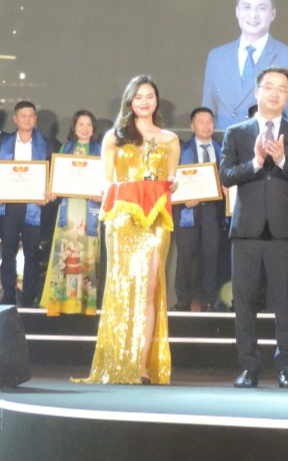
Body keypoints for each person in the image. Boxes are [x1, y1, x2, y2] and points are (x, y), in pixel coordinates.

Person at [79, 76, 179, 385]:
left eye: (150, 96)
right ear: (130, 101)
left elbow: (172, 179)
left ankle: (141, 366)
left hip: (156, 221)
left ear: (157, 101)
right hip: (123, 219)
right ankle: (118, 361)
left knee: (149, 289)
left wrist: (174, 184)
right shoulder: (115, 137)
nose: (145, 102)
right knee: (123, 287)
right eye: (139, 97)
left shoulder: (170, 140)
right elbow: (106, 180)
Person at [220, 67, 288, 389]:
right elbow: (226, 175)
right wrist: (257, 163)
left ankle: (286, 367)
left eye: (282, 89)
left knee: (286, 303)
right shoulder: (236, 133)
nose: (275, 93)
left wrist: (284, 160)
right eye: (269, 87)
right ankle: (249, 368)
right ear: (257, 91)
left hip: (284, 230)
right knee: (244, 302)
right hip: (246, 230)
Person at [203, 0, 288, 129]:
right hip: (223, 142)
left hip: (267, 142)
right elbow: (206, 114)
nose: (253, 15)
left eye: (261, 8)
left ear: (273, 14)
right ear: (237, 11)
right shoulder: (217, 57)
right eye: (246, 7)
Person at [40, 110, 103, 315]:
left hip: (89, 208)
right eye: (80, 124)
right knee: (65, 254)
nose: (85, 129)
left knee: (87, 255)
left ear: (93, 129)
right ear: (74, 128)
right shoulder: (64, 149)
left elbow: (106, 181)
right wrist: (51, 189)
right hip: (69, 210)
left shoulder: (100, 151)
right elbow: (58, 178)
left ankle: (84, 304)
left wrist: (102, 193)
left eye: (88, 125)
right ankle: (61, 303)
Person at [0, 101, 52, 306]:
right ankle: (8, 295)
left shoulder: (47, 144)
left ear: (35, 119)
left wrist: (50, 191)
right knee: (7, 252)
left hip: (34, 206)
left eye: (31, 116)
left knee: (32, 254)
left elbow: (53, 175)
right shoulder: (2, 143)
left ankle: (29, 298)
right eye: (23, 116)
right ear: (15, 119)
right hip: (8, 206)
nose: (27, 120)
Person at [172, 107, 223, 312]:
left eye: (210, 121)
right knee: (185, 257)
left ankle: (209, 301)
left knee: (211, 256)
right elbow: (171, 181)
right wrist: (182, 198)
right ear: (192, 126)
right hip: (187, 210)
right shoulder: (180, 151)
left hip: (213, 211)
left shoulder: (222, 150)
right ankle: (183, 300)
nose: (206, 125)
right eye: (201, 122)